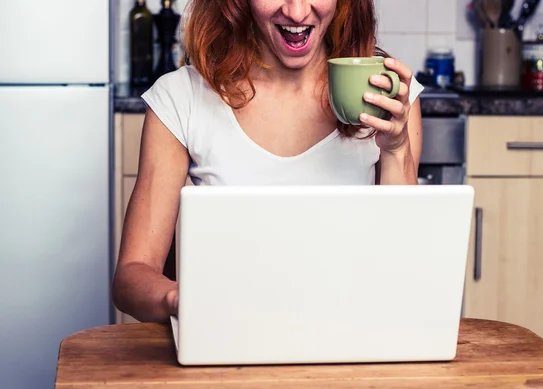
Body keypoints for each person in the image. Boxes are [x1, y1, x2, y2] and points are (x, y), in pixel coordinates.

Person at [112, 0, 425, 323]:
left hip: (351, 333)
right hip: (231, 337)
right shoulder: (181, 97)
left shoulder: (389, 94)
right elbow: (132, 275)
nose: (297, 12)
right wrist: (180, 299)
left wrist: (396, 149)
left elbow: (404, 270)